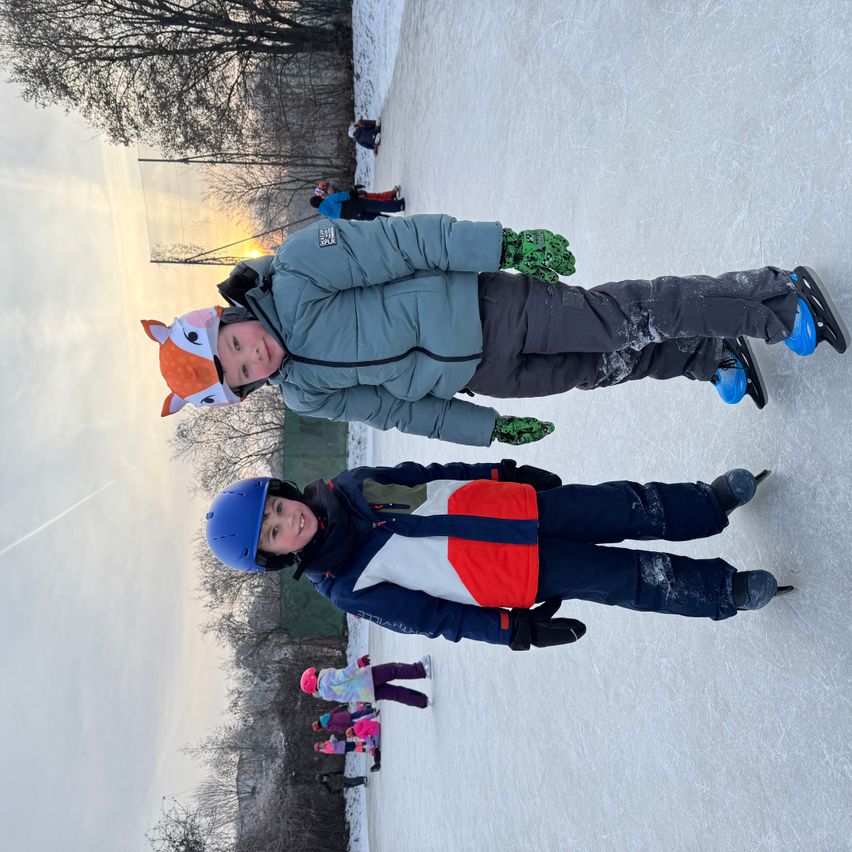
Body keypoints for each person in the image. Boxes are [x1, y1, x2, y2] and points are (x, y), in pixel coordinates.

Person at [143, 214, 847, 444]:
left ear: (230, 318)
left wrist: (501, 248)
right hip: (481, 375)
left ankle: (769, 300)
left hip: (484, 306)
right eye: (240, 373)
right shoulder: (304, 395)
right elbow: (397, 411)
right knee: (598, 368)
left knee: (619, 315)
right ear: (244, 389)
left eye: (235, 344)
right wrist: (480, 430)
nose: (252, 357)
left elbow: (405, 244)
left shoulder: (297, 269)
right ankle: (705, 355)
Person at [205, 460, 794, 649]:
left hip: (519, 509)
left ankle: (708, 505)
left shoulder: (351, 485)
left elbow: (430, 475)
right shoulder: (345, 585)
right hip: (517, 572)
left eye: (278, 510)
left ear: (283, 495)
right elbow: (434, 619)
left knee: (625, 505)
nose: (290, 523)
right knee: (628, 579)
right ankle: (724, 592)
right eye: (275, 535)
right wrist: (512, 630)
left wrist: (499, 471)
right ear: (278, 558)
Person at [299, 654, 432, 709]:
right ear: (314, 678)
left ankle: (422, 701)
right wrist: (358, 664)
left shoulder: (325, 693)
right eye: (315, 672)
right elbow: (343, 674)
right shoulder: (326, 679)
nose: (318, 671)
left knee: (395, 693)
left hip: (366, 693)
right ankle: (421, 670)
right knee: (393, 670)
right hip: (365, 679)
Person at [309, 186, 404, 220]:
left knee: (378, 218)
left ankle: (397, 223)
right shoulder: (329, 200)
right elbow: (344, 196)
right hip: (357, 205)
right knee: (378, 205)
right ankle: (398, 205)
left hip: (356, 216)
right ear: (319, 199)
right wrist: (355, 192)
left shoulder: (327, 215)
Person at [311, 704, 376, 734]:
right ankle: (372, 710)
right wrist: (340, 707)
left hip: (345, 723)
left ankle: (372, 727)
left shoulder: (327, 726)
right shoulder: (324, 716)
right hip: (345, 715)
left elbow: (337, 728)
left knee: (359, 726)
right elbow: (333, 711)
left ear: (319, 728)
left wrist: (345, 730)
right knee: (358, 713)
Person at [314, 180, 400, 202]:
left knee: (376, 198)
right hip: (356, 196)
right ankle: (392, 195)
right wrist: (354, 188)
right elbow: (346, 191)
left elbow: (345, 189)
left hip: (355, 196)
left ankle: (391, 196)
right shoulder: (332, 191)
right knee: (376, 197)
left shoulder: (331, 193)